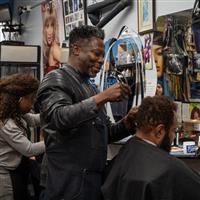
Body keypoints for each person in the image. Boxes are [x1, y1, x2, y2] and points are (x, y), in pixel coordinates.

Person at [37, 25, 138, 200]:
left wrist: (128, 122)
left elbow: (105, 134)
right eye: (96, 54)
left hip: (89, 182)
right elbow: (58, 118)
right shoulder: (56, 78)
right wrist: (103, 97)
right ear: (76, 49)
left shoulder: (90, 87)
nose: (100, 60)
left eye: (102, 55)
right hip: (65, 184)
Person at [102, 95, 200, 200]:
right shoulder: (170, 170)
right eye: (173, 130)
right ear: (159, 131)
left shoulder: (120, 159)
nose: (172, 137)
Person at [0, 74, 45, 200]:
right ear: (20, 99)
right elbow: (29, 149)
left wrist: (55, 113)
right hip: (6, 176)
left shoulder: (16, 114)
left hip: (18, 170)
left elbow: (34, 119)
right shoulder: (6, 123)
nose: (32, 105)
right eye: (30, 99)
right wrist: (55, 141)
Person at [42, 3, 61, 75]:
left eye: (52, 26)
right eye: (47, 26)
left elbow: (70, 68)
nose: (49, 32)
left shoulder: (55, 48)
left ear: (55, 28)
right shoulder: (49, 49)